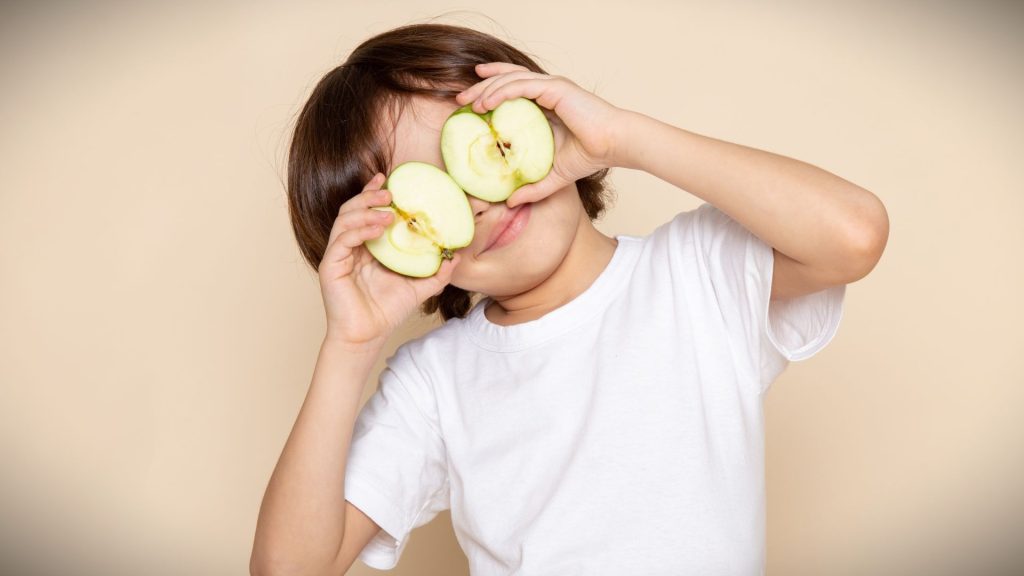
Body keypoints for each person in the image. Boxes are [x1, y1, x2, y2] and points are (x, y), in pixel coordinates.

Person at [250, 22, 889, 576]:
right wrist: (350, 344)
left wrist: (622, 138)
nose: (478, 202)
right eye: (431, 199)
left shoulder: (692, 273)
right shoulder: (434, 381)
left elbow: (853, 235)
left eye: (481, 149)